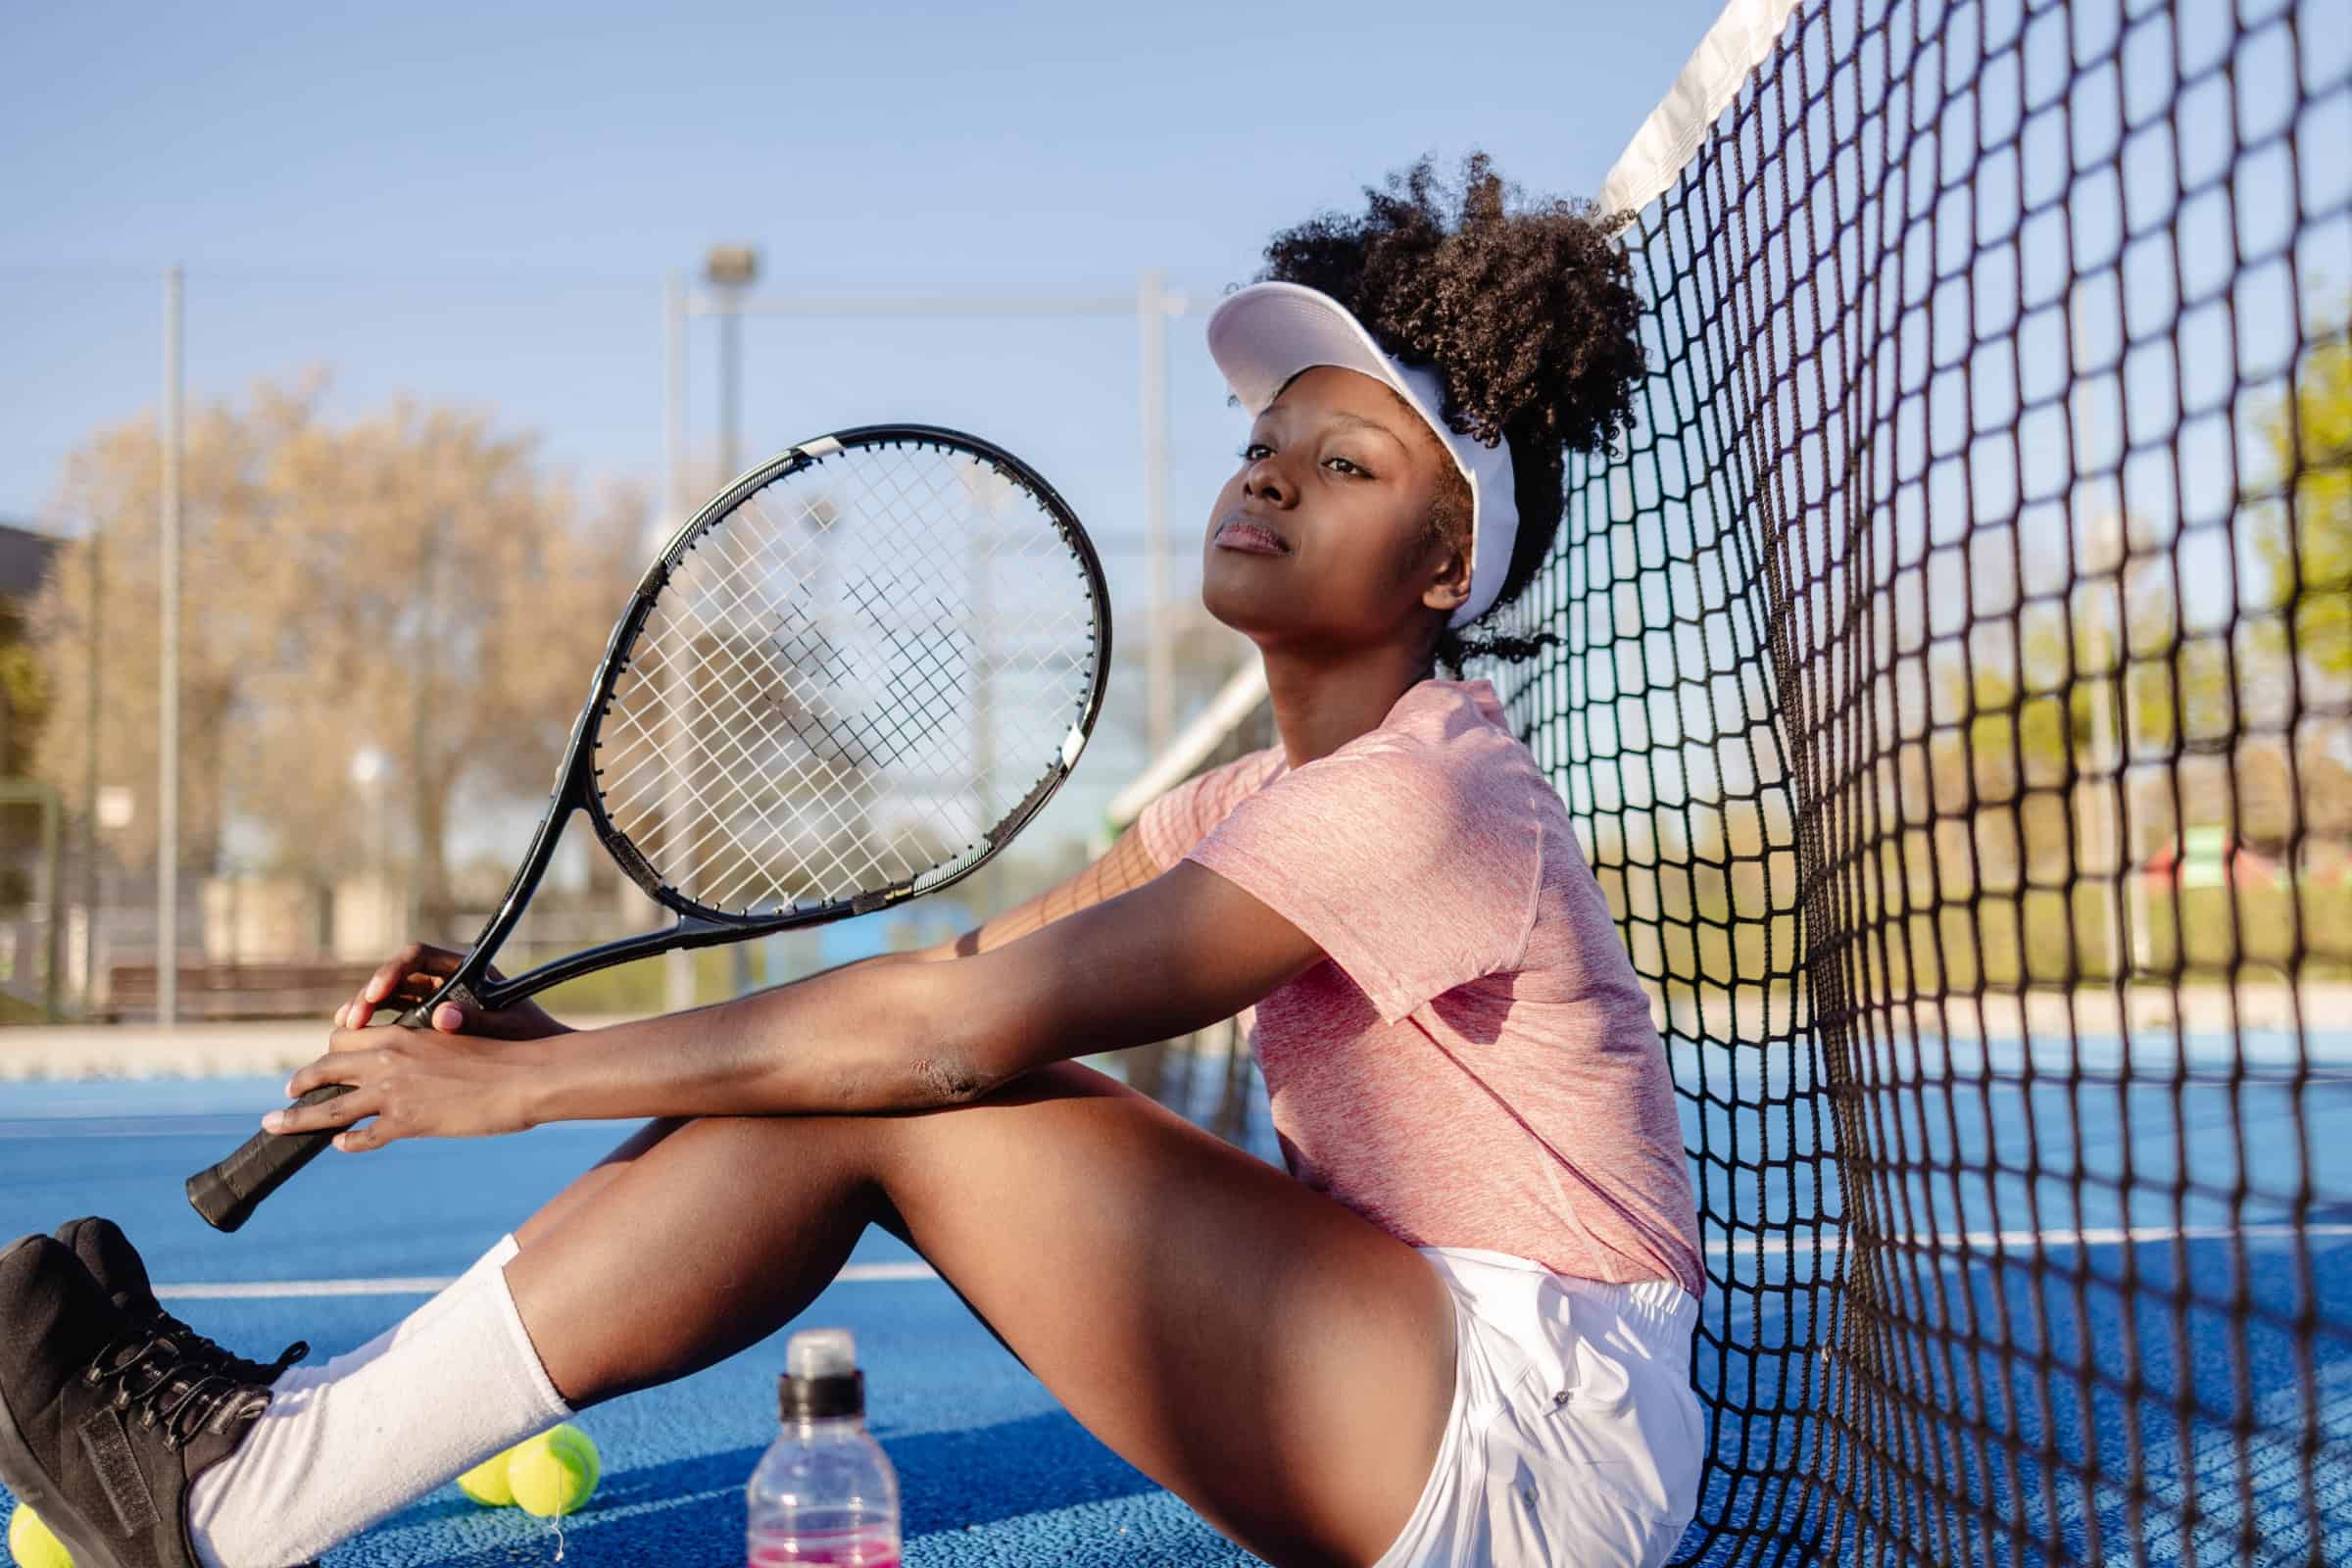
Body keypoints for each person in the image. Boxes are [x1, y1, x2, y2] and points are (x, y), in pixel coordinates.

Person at [0, 153, 1702, 1568]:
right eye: (1271, 440)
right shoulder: (1254, 800)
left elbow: (941, 1047)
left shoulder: (1426, 798)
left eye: (1348, 464)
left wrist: (533, 1093)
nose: (1270, 473)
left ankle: (246, 1496)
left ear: (1444, 569)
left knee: (892, 1084)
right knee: (850, 1063)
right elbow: (967, 986)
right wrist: (546, 1047)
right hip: (1426, 1375)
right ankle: (263, 1464)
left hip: (1533, 1446)